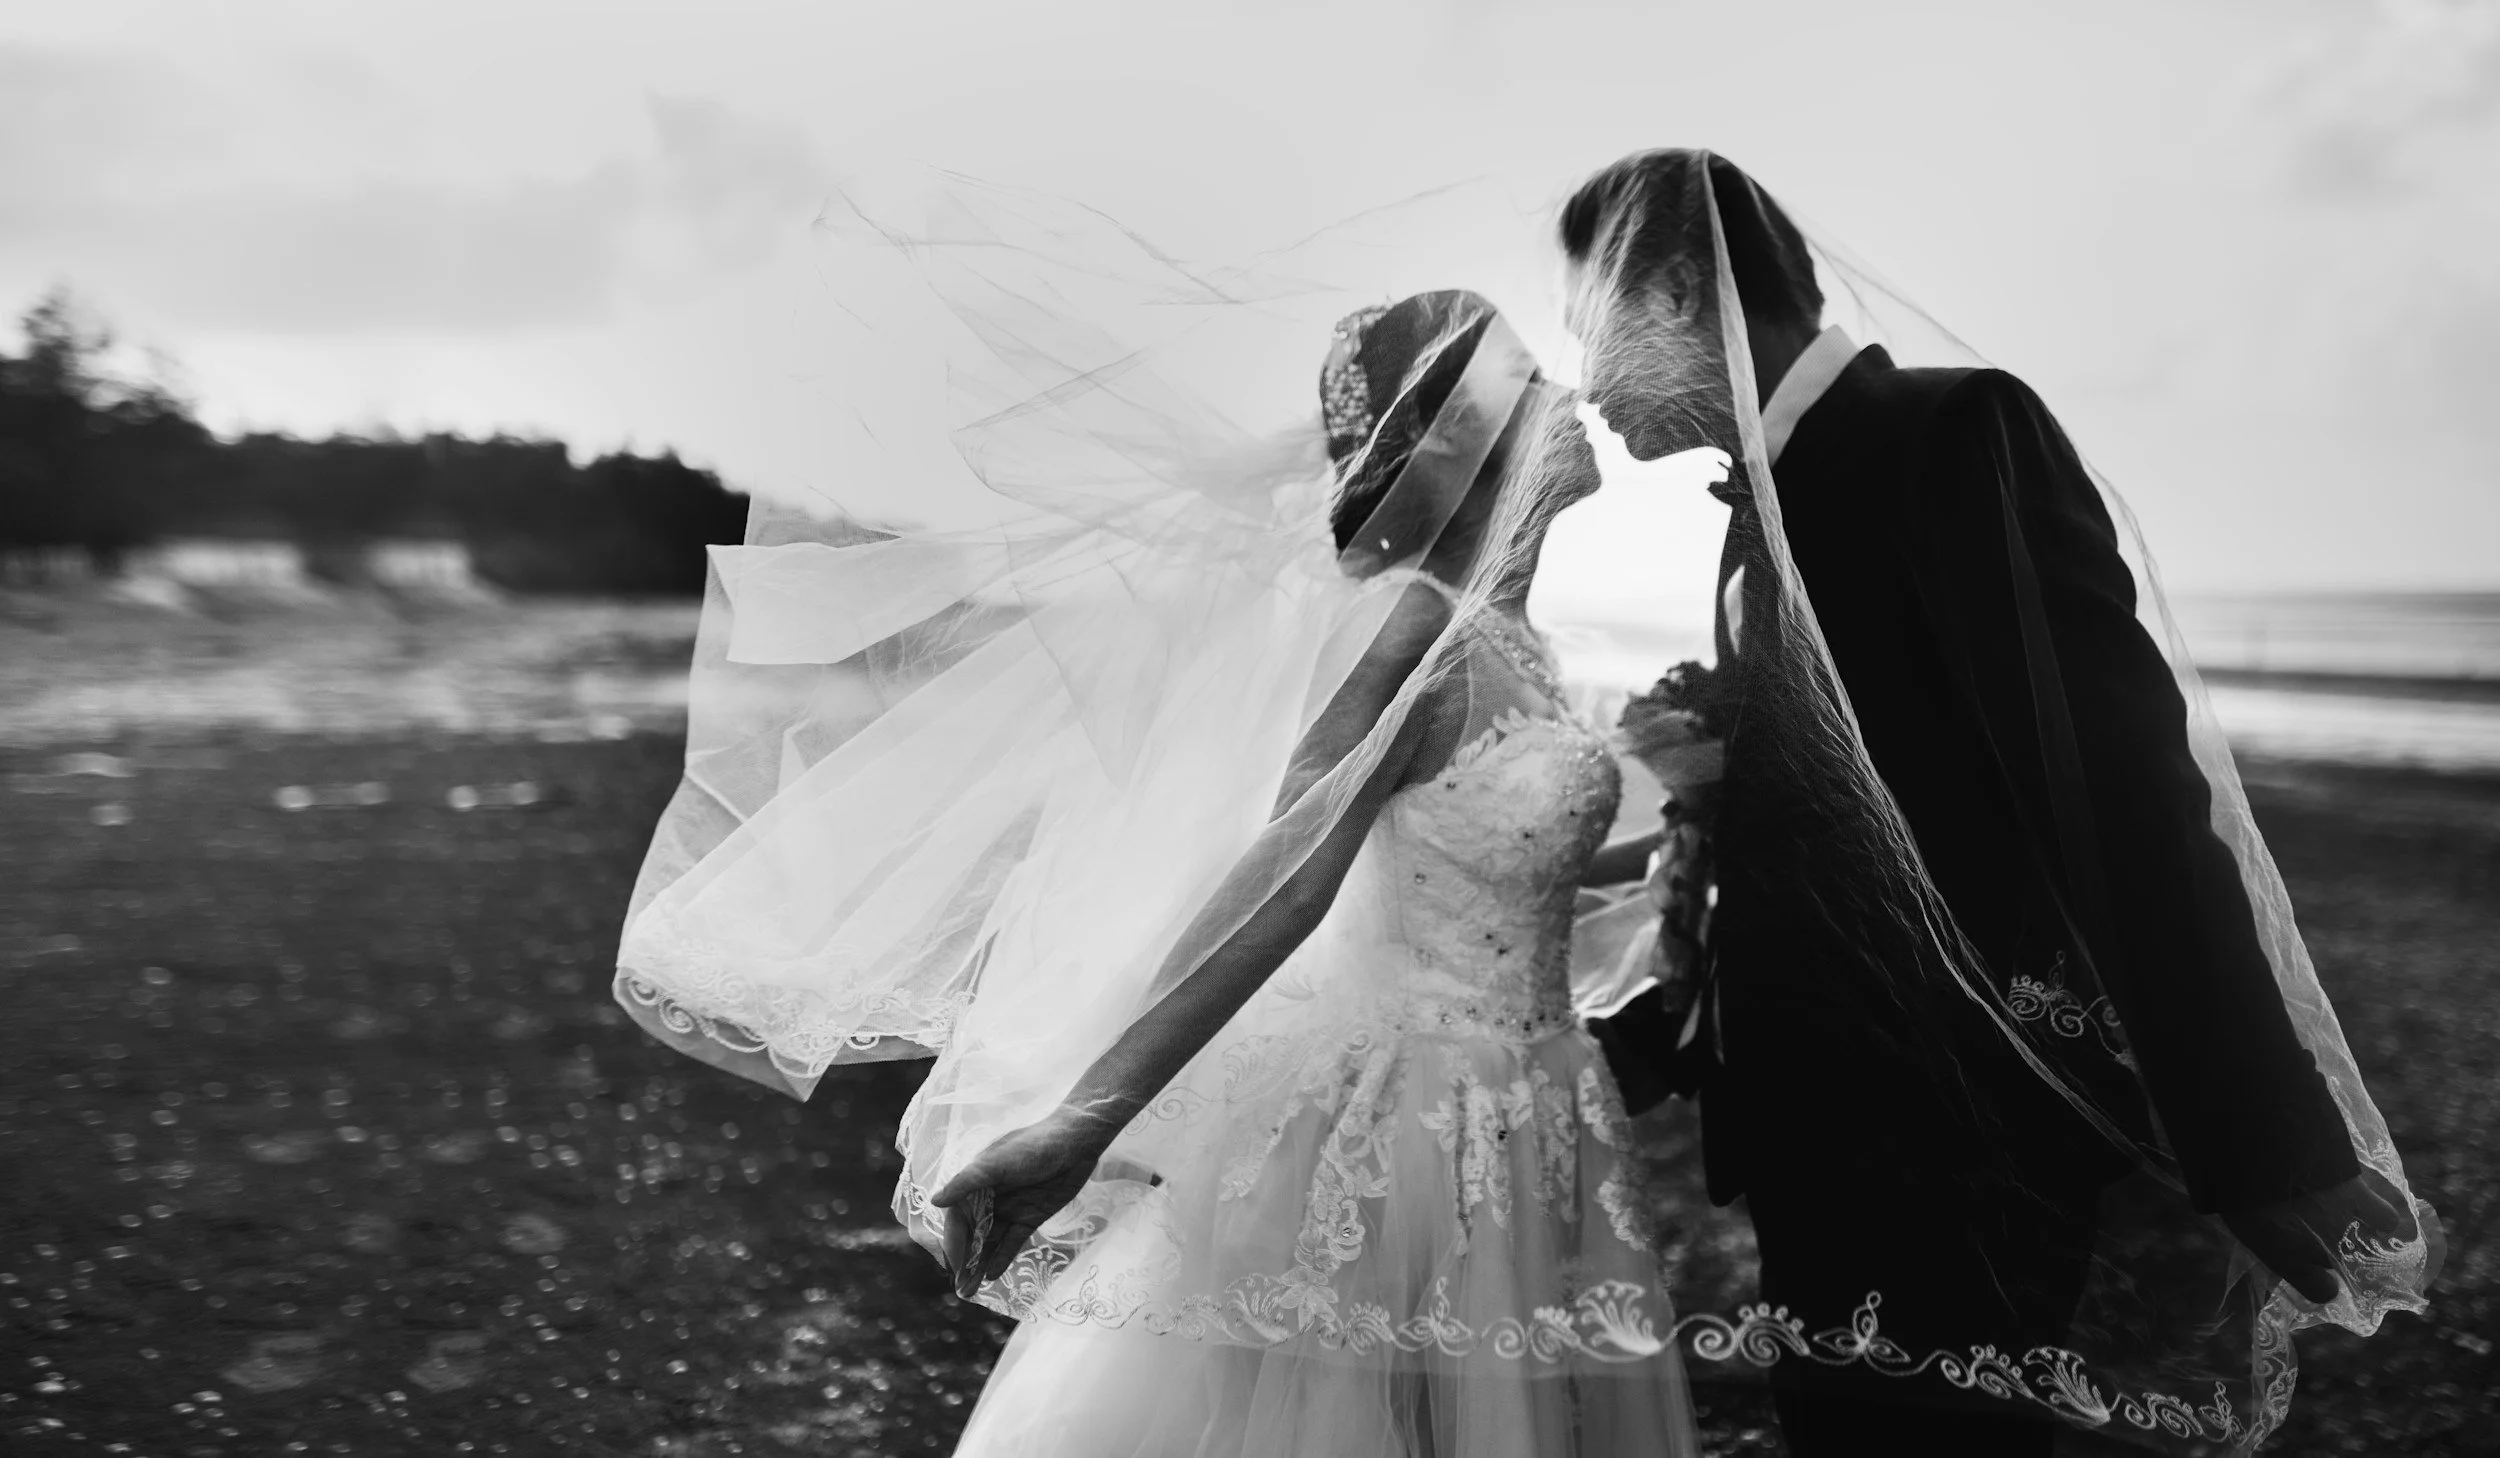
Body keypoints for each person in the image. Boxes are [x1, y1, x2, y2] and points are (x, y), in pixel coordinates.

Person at [616, 181, 1701, 1457]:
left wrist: (1681, 842)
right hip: (1406, 1118)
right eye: (1532, 386)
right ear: (1464, 442)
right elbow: (1285, 876)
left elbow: (1476, 873)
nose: (1572, 401)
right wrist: (1088, 1115)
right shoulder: (1412, 630)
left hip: (1528, 1101)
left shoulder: (1519, 641)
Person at [1559, 148, 2435, 1455]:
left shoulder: (1950, 436)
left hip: (1966, 1148)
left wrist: (2263, 1138)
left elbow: (2127, 792)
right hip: (1824, 1135)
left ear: (1682, 290)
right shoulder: (1759, 514)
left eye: (1595, 324)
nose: (1590, 379)